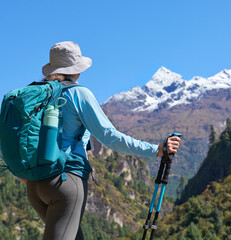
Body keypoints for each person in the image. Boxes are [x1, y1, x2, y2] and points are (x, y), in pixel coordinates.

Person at [26, 41, 181, 240]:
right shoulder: (78, 93)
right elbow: (109, 136)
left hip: (35, 184)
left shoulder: (38, 94)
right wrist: (155, 149)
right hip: (64, 181)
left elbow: (11, 133)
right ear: (77, 70)